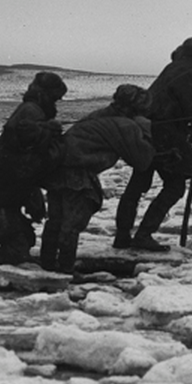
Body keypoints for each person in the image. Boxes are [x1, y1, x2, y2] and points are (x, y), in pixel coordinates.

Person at [114, 37, 192, 252]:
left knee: (137, 184)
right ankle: (144, 235)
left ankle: (122, 235)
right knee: (175, 186)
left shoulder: (174, 66)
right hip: (167, 134)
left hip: (145, 129)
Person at [39, 84, 155, 275]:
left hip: (57, 171)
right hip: (77, 176)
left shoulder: (100, 114)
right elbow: (142, 161)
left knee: (55, 221)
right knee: (71, 224)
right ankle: (65, 270)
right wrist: (146, 131)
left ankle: (47, 265)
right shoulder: (127, 126)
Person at [0, 71, 68, 284]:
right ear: (47, 95)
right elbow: (31, 157)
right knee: (20, 246)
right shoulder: (32, 113)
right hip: (1, 198)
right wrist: (53, 138)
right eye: (56, 97)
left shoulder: (29, 111)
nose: (58, 102)